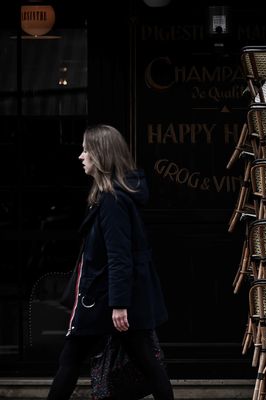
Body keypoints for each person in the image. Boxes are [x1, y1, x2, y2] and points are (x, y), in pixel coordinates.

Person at [47, 124, 174, 400]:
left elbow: (120, 257)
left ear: (100, 155)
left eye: (86, 150)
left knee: (70, 361)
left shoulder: (112, 201)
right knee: (148, 364)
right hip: (109, 299)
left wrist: (119, 305)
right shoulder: (109, 197)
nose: (81, 156)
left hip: (106, 301)